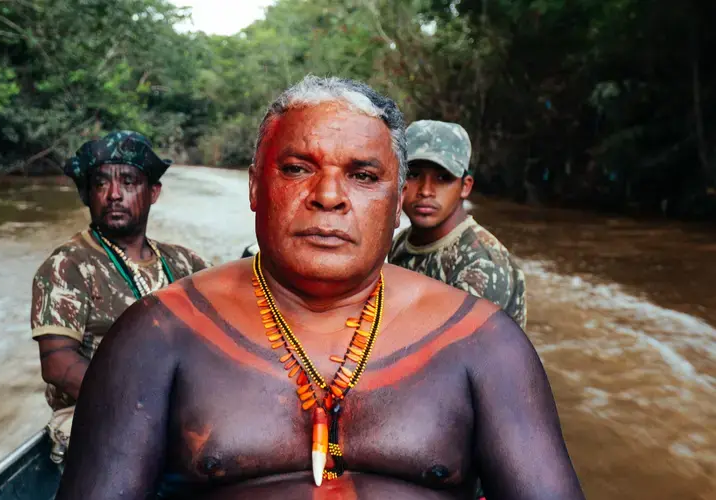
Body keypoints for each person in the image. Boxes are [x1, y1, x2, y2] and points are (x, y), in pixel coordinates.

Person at [56, 76, 583, 499]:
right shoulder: (158, 333)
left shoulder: (482, 341)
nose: (328, 195)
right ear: (256, 187)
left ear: (395, 198)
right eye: (297, 168)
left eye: (363, 175)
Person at [30, 130, 208, 463]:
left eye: (128, 182)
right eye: (100, 184)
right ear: (87, 195)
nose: (113, 194)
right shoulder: (67, 264)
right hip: (95, 414)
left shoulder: (185, 262)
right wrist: (144, 405)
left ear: (153, 192)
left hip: (178, 409)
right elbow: (57, 364)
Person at [388, 120, 527, 329]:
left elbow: (465, 354)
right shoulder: (402, 243)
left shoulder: (482, 265)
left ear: (465, 186)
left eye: (443, 178)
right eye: (414, 174)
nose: (426, 190)